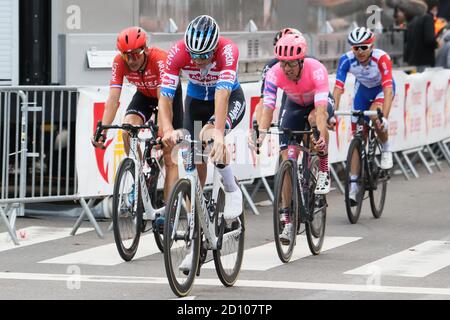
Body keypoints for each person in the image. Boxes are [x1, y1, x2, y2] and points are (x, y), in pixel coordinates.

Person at [158, 15, 245, 221]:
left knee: (210, 139)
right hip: (196, 102)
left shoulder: (228, 51)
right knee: (194, 157)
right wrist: (168, 129)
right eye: (193, 55)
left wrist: (219, 133)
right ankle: (193, 222)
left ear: (214, 49)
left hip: (229, 99)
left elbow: (222, 95)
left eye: (204, 55)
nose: (197, 61)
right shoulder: (177, 52)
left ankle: (232, 189)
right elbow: (164, 98)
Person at [256, 33, 334, 244]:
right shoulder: (274, 73)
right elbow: (268, 107)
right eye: (283, 63)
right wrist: (261, 134)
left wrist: (320, 136)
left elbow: (320, 111)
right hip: (293, 105)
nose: (286, 69)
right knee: (286, 157)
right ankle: (287, 219)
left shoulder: (315, 69)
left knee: (314, 122)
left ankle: (323, 168)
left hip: (317, 105)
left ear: (301, 61)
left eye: (291, 64)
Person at [91, 26, 183, 201]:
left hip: (167, 96)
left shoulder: (159, 59)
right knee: (127, 130)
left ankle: (168, 209)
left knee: (170, 156)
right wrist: (102, 131)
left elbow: (164, 100)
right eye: (127, 55)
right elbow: (112, 99)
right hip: (144, 95)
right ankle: (139, 177)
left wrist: (164, 133)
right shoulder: (119, 62)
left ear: (145, 49)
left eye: (135, 54)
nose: (131, 60)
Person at [333, 27, 395, 205]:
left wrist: (385, 117)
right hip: (363, 93)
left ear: (371, 46)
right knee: (358, 136)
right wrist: (333, 113)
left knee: (376, 117)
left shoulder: (381, 58)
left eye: (364, 47)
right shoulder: (346, 60)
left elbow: (388, 90)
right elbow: (338, 89)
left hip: (381, 91)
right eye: (355, 48)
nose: (359, 51)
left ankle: (386, 148)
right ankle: (353, 185)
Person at [405, 0, 440, 70]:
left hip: (412, 61)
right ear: (434, 8)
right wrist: (437, 44)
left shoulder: (414, 19)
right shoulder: (428, 18)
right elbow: (429, 39)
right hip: (424, 62)